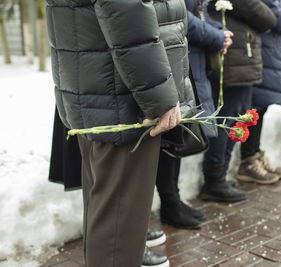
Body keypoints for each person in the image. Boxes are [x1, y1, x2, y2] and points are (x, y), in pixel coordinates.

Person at [45, 0, 195, 266]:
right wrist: (159, 98)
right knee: (117, 228)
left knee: (106, 216)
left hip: (102, 91)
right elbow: (127, 15)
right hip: (124, 100)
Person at [48, 108, 169, 266]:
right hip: (117, 110)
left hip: (97, 106)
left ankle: (131, 242)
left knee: (102, 199)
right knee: (114, 204)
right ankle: (125, 246)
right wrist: (162, 104)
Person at [155, 0, 232, 229]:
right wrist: (216, 36)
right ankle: (169, 203)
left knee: (175, 134)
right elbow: (179, 17)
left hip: (186, 56)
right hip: (174, 54)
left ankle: (172, 201)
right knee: (168, 137)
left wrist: (217, 31)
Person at [201, 0, 277, 202]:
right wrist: (269, 18)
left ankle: (219, 177)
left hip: (240, 56)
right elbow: (265, 17)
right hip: (234, 58)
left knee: (234, 117)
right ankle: (214, 181)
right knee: (226, 119)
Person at [237, 0, 281, 184]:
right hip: (261, 47)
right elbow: (270, 14)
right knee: (256, 104)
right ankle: (248, 160)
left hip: (269, 48)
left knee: (261, 105)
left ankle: (254, 154)